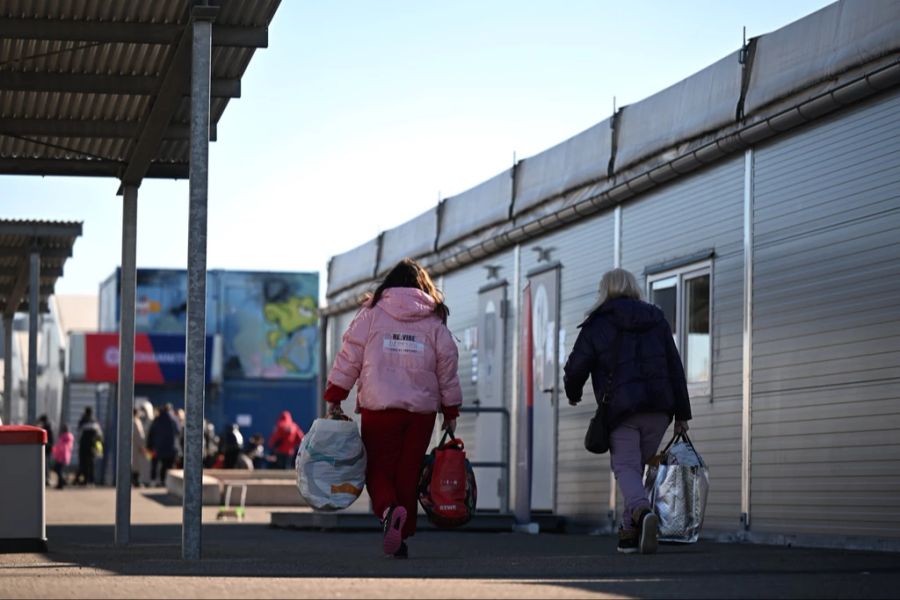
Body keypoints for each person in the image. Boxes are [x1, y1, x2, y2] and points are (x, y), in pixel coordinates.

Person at [324, 257, 462, 559]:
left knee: (376, 469)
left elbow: (350, 355)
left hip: (380, 407)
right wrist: (450, 410)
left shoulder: (371, 314)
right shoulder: (434, 321)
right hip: (421, 412)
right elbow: (447, 367)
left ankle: (389, 512)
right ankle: (402, 532)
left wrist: (336, 394)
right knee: (407, 472)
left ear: (390, 284)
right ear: (422, 286)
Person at [563, 268, 692, 555]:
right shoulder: (656, 318)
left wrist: (573, 394)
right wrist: (682, 414)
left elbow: (576, 367)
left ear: (604, 290)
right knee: (637, 470)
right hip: (659, 408)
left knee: (625, 468)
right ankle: (629, 535)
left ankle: (643, 514)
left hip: (622, 409)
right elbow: (675, 366)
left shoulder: (597, 323)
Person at [146, 403, 181, 487]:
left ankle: (153, 480)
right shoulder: (174, 419)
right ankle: (163, 481)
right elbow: (178, 431)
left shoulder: (157, 420)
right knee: (167, 466)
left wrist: (149, 446)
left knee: (155, 464)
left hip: (156, 448)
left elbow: (151, 433)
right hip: (170, 448)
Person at [76, 407, 103, 486]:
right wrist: (99, 448)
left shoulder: (82, 422)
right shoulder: (95, 422)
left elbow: (79, 434)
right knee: (91, 464)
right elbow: (99, 435)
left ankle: (85, 480)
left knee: (83, 463)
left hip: (83, 446)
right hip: (92, 446)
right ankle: (91, 480)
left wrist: (79, 443)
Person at [51, 423, 74, 489]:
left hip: (62, 457)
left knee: (58, 470)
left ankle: (61, 483)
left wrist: (55, 451)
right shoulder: (68, 438)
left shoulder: (64, 438)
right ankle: (62, 482)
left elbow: (61, 447)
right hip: (64, 456)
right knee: (58, 470)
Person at [36, 414, 54, 486]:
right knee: (47, 464)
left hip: (46, 448)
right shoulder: (49, 426)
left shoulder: (45, 428)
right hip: (48, 448)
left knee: (45, 465)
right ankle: (47, 478)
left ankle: (46, 479)